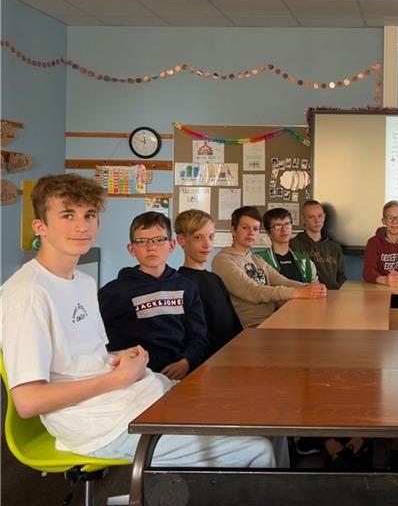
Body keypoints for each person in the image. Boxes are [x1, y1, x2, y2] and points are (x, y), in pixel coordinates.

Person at [0, 174, 278, 468]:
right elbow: (28, 401)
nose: (81, 226)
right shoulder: (28, 294)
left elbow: (84, 355)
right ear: (40, 226)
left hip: (136, 393)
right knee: (257, 449)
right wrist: (117, 378)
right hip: (97, 424)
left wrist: (122, 357)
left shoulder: (81, 282)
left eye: (89, 215)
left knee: (267, 419)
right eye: (67, 215)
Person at [98, 211, 209, 381]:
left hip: (180, 374)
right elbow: (96, 340)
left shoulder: (186, 287)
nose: (151, 247)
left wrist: (186, 361)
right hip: (137, 380)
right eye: (141, 241)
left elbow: (198, 336)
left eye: (159, 240)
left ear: (171, 245)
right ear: (131, 249)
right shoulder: (113, 292)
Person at [212, 206, 326, 328]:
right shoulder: (223, 260)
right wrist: (298, 292)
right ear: (233, 230)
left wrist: (312, 288)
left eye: (255, 229)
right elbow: (254, 291)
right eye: (245, 228)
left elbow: (282, 280)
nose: (251, 232)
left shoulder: (256, 259)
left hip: (274, 319)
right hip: (254, 327)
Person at [174, 209, 243, 357]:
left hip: (231, 355)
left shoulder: (215, 279)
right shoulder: (179, 284)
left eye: (211, 237)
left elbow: (233, 324)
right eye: (199, 238)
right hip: (206, 361)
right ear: (182, 240)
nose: (207, 245)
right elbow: (192, 335)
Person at [289, 200, 347, 290]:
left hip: (332, 296)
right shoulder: (293, 245)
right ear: (303, 219)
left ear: (324, 217)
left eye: (320, 216)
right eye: (311, 217)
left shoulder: (335, 247)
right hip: (305, 296)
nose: (317, 220)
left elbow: (342, 277)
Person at [254, 207, 317, 283]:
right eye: (278, 226)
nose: (284, 229)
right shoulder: (259, 259)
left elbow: (314, 287)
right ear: (269, 233)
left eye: (287, 224)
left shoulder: (304, 260)